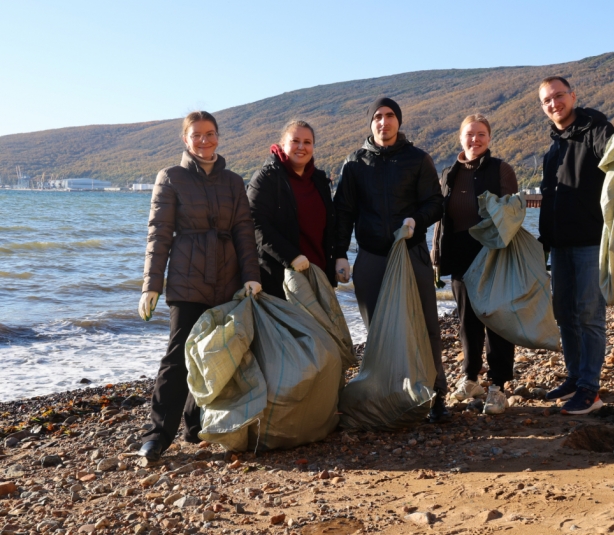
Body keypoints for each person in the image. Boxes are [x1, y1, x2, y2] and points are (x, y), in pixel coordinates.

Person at [138, 111, 262, 461]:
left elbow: (244, 233)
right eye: (197, 135)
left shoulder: (233, 182)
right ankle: (157, 435)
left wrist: (252, 276)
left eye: (210, 134)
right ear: (185, 139)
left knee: (216, 354)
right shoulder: (171, 177)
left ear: (218, 137)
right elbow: (159, 234)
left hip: (228, 280)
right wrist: (152, 284)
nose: (204, 141)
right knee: (178, 358)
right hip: (187, 279)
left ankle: (196, 427)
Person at [334, 97, 449, 422]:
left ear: (398, 121)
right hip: (370, 257)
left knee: (426, 327)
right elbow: (343, 212)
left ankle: (436, 395)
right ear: (371, 123)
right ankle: (389, 397)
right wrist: (340, 254)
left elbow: (435, 203)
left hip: (410, 254)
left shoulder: (417, 159)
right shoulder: (355, 163)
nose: (383, 122)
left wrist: (415, 221)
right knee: (378, 332)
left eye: (389, 116)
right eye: (378, 117)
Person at [537, 76, 614, 415]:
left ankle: (589, 389)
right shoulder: (553, 149)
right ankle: (574, 377)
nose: (554, 103)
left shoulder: (595, 131)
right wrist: (543, 243)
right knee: (565, 315)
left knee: (589, 315)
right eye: (547, 100)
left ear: (573, 96)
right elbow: (547, 198)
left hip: (590, 242)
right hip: (560, 245)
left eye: (559, 96)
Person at [430, 114, 518, 415]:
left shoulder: (501, 170)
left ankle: (498, 386)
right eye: (470, 134)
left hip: (492, 254)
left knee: (496, 319)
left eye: (481, 134)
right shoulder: (449, 173)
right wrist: (436, 258)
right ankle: (469, 378)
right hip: (458, 254)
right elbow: (443, 220)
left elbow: (512, 213)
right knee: (467, 321)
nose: (475, 140)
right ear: (460, 137)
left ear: (489, 138)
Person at [247, 120, 337, 298]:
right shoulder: (266, 179)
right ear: (282, 144)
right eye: (295, 141)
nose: (301, 147)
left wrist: (337, 260)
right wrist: (291, 257)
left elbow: (330, 226)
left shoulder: (319, 181)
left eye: (307, 142)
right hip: (280, 282)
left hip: (318, 279)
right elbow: (255, 223)